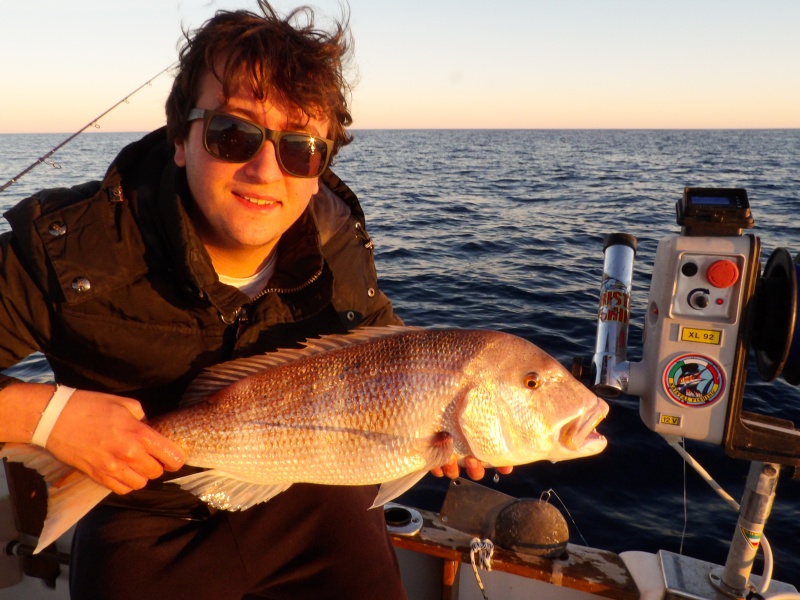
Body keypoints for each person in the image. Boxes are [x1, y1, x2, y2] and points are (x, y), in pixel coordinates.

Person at [0, 3, 409, 598]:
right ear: (180, 140)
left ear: (320, 169)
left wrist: (446, 424)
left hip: (305, 489)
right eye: (233, 134)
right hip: (143, 508)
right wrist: (45, 418)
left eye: (300, 148)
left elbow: (394, 357)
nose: (266, 171)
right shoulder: (70, 249)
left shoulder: (336, 241)